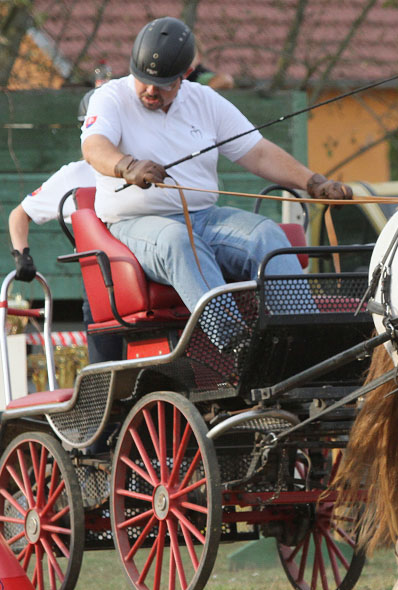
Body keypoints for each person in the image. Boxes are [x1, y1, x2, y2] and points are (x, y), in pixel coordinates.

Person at [80, 17, 351, 346]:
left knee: (267, 234)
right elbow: (94, 148)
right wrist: (126, 165)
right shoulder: (110, 97)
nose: (151, 90)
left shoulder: (204, 100)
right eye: (143, 80)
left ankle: (302, 343)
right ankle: (235, 348)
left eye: (163, 83)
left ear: (184, 76)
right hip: (134, 224)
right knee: (178, 240)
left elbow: (259, 153)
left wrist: (312, 182)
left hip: (204, 218)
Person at [9, 89, 122, 363]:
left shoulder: (143, 164)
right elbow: (19, 214)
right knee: (107, 374)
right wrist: (22, 256)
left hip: (146, 275)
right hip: (102, 286)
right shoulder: (75, 175)